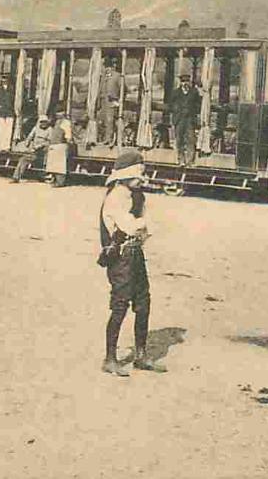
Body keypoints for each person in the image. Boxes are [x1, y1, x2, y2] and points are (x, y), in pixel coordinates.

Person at [98, 150, 162, 375]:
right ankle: (110, 358)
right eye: (139, 175)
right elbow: (130, 226)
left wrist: (143, 226)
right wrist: (144, 224)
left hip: (135, 254)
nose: (142, 179)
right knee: (120, 305)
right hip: (121, 257)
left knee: (144, 302)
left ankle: (141, 355)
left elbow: (143, 228)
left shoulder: (136, 195)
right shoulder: (116, 196)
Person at [168, 73, 202, 166]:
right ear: (180, 82)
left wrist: (192, 111)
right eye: (183, 81)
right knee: (179, 140)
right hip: (179, 119)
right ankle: (181, 160)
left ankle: (190, 161)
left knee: (191, 140)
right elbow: (170, 105)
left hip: (190, 120)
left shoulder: (194, 92)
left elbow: (199, 104)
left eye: (187, 81)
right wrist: (177, 110)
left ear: (189, 82)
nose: (185, 83)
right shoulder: (175, 92)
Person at [11, 115, 53, 182]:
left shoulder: (50, 129)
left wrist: (40, 145)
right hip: (34, 149)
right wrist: (27, 143)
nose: (43, 124)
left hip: (43, 149)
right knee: (23, 159)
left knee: (45, 158)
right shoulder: (36, 128)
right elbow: (30, 136)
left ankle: (43, 176)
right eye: (42, 122)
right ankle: (16, 177)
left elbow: (50, 141)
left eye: (45, 122)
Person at [97, 63, 123, 146]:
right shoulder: (103, 77)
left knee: (110, 120)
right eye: (105, 66)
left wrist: (118, 100)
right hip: (103, 101)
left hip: (112, 101)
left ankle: (109, 139)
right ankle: (103, 138)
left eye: (109, 66)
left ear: (113, 67)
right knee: (102, 120)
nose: (107, 69)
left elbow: (123, 89)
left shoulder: (117, 76)